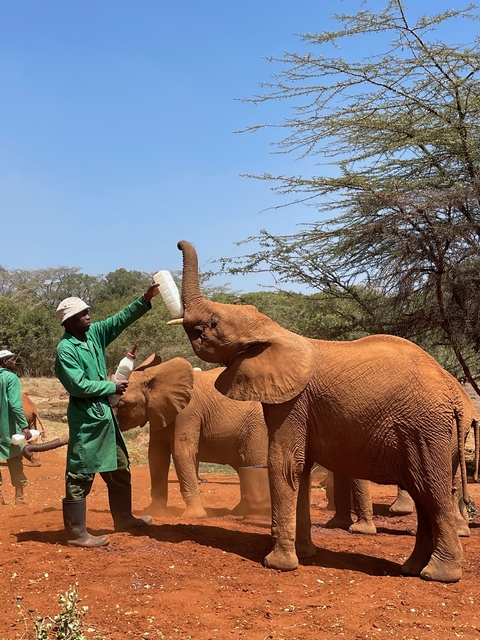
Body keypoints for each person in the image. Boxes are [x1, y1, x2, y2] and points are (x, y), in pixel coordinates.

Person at [55, 281, 159, 548]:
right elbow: (77, 386)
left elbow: (120, 319)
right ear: (69, 321)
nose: (88, 316)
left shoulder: (94, 334)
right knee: (80, 473)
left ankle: (123, 518)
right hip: (87, 418)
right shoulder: (65, 350)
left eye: (87, 311)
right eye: (82, 314)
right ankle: (76, 533)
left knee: (121, 466)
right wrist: (110, 386)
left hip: (105, 416)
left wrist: (145, 298)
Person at [0, 350, 32, 506]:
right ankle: (19, 497)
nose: (15, 362)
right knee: (15, 459)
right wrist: (24, 426)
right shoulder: (11, 378)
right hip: (8, 427)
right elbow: (14, 404)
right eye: (12, 360)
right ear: (4, 362)